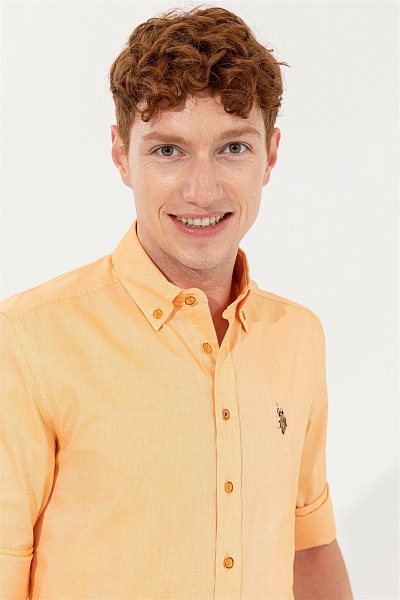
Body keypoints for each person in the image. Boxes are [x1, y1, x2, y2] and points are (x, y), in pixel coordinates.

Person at [0, 6, 353, 599]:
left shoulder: (297, 336)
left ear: (270, 156)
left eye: (233, 148)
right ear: (121, 154)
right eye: (168, 151)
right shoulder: (27, 341)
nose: (202, 190)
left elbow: (308, 546)